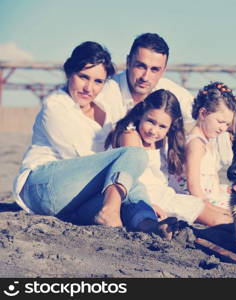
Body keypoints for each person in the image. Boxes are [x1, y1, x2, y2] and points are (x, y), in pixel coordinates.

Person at [12, 41, 163, 235]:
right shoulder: (56, 107)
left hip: (74, 200)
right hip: (43, 187)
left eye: (98, 81)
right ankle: (111, 210)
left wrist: (144, 200)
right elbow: (82, 157)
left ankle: (149, 224)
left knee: (129, 188)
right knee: (135, 156)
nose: (88, 88)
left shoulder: (105, 107)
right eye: (83, 77)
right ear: (69, 72)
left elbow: (113, 170)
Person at [97, 33, 236, 167]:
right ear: (128, 62)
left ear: (163, 70)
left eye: (155, 69)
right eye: (140, 66)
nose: (145, 76)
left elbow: (204, 112)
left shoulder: (167, 90)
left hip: (157, 175)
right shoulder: (107, 93)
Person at [106, 89, 232, 226]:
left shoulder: (162, 142)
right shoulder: (130, 136)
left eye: (162, 126)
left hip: (166, 195)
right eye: (150, 121)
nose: (154, 130)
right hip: (146, 198)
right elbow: (130, 178)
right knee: (216, 219)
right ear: (142, 114)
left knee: (223, 213)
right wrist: (148, 205)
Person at [170, 82, 236, 209]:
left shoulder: (207, 141)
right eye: (220, 122)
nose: (223, 128)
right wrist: (210, 209)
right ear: (203, 114)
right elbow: (193, 186)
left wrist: (223, 189)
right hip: (197, 199)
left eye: (227, 124)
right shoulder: (196, 144)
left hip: (209, 194)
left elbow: (210, 177)